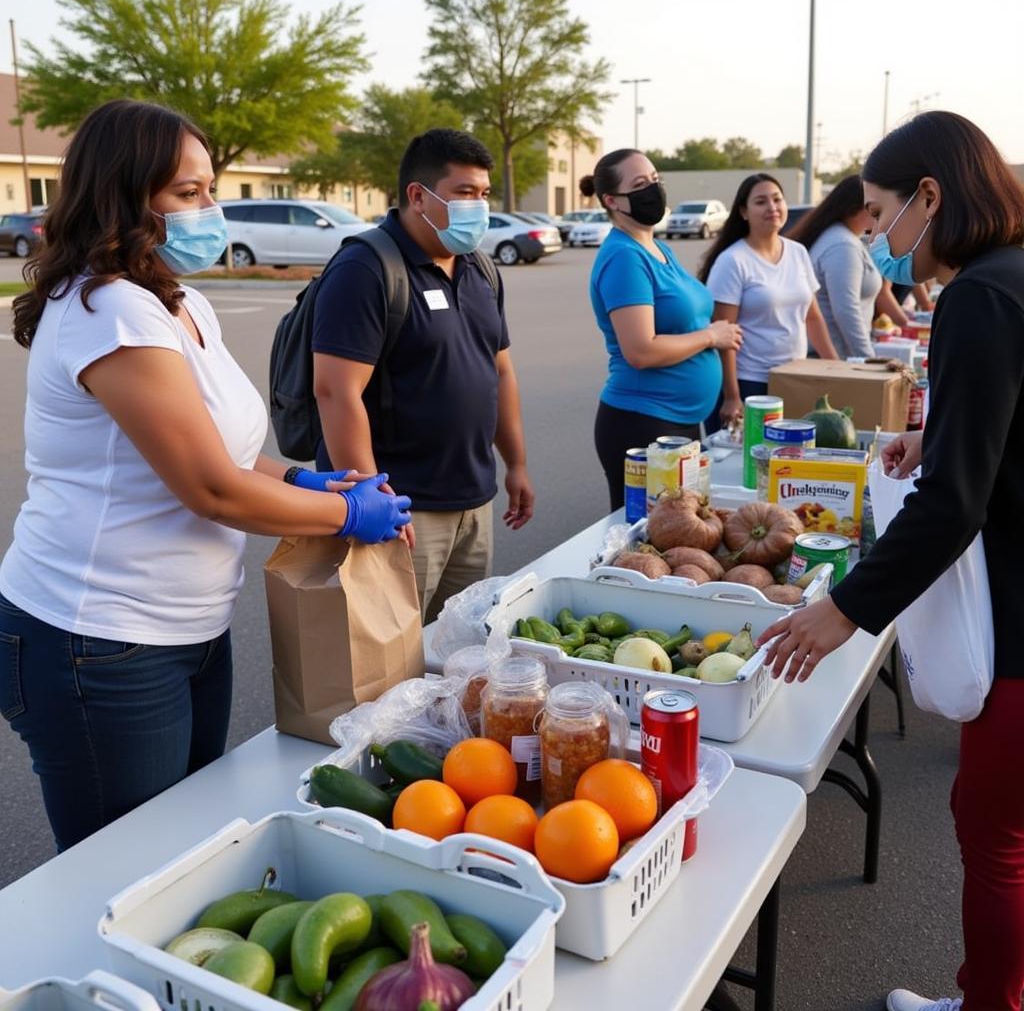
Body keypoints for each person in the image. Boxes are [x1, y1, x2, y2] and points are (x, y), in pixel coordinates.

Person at [0, 100, 412, 853]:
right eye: (187, 194)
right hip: (97, 637)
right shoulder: (111, 312)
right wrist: (349, 518)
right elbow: (210, 488)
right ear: (125, 198)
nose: (210, 211)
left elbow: (222, 452)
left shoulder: (176, 301)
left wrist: (303, 479)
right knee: (124, 865)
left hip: (184, 626)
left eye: (209, 190)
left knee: (185, 843)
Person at [758, 111, 1024, 1011]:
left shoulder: (983, 296)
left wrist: (845, 610)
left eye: (877, 214)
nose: (875, 237)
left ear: (930, 198)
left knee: (995, 836)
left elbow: (956, 504)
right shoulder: (1013, 277)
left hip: (1019, 623)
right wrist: (937, 433)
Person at [311, 129, 534, 623]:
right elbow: (335, 390)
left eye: (483, 194)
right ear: (419, 195)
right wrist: (369, 500)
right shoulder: (365, 269)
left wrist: (515, 462)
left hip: (473, 503)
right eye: (464, 193)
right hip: (403, 511)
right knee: (389, 664)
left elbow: (500, 369)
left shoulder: (480, 268)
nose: (479, 206)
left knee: (453, 653)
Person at [583, 149, 742, 510]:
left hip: (678, 422)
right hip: (643, 423)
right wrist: (711, 337)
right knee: (654, 540)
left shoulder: (656, 247)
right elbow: (641, 350)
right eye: (640, 184)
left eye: (655, 180)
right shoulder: (625, 257)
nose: (653, 189)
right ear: (612, 200)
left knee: (686, 532)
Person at [698, 174, 840, 434]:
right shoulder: (733, 261)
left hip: (793, 380)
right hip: (750, 383)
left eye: (777, 199)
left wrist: (836, 368)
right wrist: (732, 395)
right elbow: (724, 333)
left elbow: (812, 317)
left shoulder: (797, 253)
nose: (772, 208)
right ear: (744, 211)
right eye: (761, 202)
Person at [787, 175, 882, 359]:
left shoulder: (841, 239)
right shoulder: (842, 246)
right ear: (857, 207)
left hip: (836, 356)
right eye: (875, 206)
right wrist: (869, 359)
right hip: (835, 358)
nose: (880, 213)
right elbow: (846, 310)